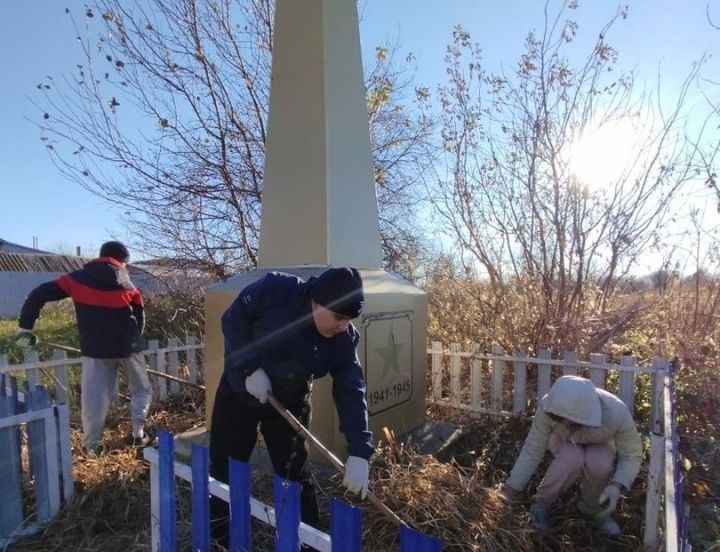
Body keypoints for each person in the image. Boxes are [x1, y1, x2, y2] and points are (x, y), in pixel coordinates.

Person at [209, 267, 374, 536]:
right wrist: (249, 368)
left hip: (289, 404)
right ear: (317, 301)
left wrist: (359, 451)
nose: (343, 325)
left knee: (294, 475)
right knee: (226, 468)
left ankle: (306, 539)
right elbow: (233, 319)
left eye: (350, 319)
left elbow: (351, 388)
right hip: (240, 394)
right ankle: (221, 537)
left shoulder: (343, 339)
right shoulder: (275, 291)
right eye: (339, 317)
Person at [15, 241, 152, 453]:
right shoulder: (128, 284)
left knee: (94, 400)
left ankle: (92, 447)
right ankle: (138, 434)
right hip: (129, 347)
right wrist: (136, 340)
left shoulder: (77, 279)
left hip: (96, 350)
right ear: (122, 262)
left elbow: (38, 294)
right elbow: (140, 315)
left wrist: (25, 327)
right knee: (141, 390)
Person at [501, 375, 642, 536]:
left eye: (571, 421)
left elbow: (632, 454)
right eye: (560, 419)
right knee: (572, 457)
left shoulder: (616, 411)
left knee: (599, 462)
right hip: (563, 442)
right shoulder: (549, 406)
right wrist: (512, 488)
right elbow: (533, 449)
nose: (564, 424)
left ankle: (594, 508)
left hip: (601, 443)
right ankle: (542, 504)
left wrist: (617, 486)